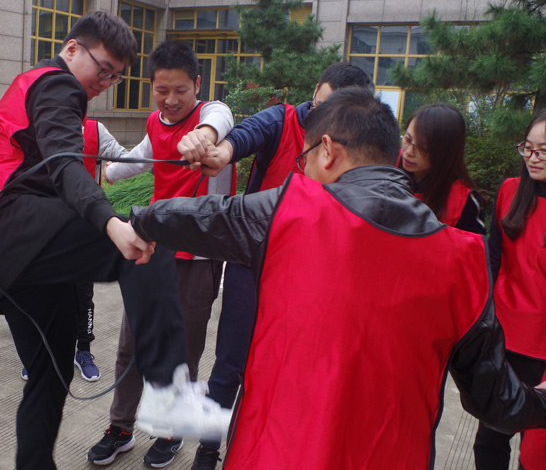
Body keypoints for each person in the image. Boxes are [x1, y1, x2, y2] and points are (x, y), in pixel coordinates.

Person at [131, 87, 546, 469]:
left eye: (304, 160)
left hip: (275, 455)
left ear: (327, 150)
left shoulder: (290, 211)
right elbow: (497, 401)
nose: (304, 172)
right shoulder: (464, 258)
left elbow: (200, 216)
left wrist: (137, 223)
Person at [0, 11, 230, 470]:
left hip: (0, 250)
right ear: (72, 48)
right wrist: (111, 223)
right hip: (17, 230)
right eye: (102, 69)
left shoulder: (28, 83)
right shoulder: (60, 85)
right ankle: (170, 394)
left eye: (115, 77)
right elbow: (64, 163)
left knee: (49, 375)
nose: (104, 83)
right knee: (147, 242)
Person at [185, 62, 374, 469]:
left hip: (312, 277)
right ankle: (208, 449)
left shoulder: (359, 149)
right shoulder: (283, 119)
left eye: (331, 112)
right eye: (317, 104)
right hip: (251, 266)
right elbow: (245, 135)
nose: (317, 117)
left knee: (287, 373)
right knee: (229, 364)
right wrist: (221, 152)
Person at [88, 40, 234, 468]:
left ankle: (172, 431)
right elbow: (146, 153)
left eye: (180, 91)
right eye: (161, 90)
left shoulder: (211, 118)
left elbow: (221, 116)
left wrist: (203, 135)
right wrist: (112, 171)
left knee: (182, 353)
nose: (170, 100)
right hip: (151, 249)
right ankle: (120, 427)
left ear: (197, 85)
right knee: (131, 345)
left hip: (198, 257)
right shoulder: (156, 121)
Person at [19, 118, 129, 382]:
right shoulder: (35, 126)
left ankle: (84, 351)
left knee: (82, 294)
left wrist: (117, 168)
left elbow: (126, 158)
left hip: (83, 226)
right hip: (45, 225)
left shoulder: (95, 130)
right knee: (44, 293)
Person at [473, 111, 546, 470]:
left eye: (543, 150)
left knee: (534, 455)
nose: (532, 157)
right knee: (489, 441)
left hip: (543, 351)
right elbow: (493, 261)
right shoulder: (509, 191)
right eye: (527, 148)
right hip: (504, 340)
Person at [400, 103, 485, 234]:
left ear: (445, 153)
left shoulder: (463, 201)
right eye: (407, 139)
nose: (409, 152)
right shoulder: (385, 168)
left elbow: (473, 246)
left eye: (423, 148)